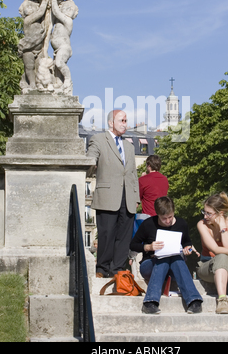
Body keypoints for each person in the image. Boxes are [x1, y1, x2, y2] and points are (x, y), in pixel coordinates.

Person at [87, 110, 140, 278]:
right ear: (111, 122)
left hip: (128, 197)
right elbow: (90, 159)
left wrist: (136, 197)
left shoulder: (129, 146)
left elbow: (133, 174)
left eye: (126, 120)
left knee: (124, 237)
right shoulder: (99, 139)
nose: (125, 123)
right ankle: (102, 268)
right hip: (108, 195)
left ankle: (118, 269)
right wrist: (90, 166)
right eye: (121, 120)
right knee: (106, 233)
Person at [130, 196, 203, 315]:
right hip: (150, 264)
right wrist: (148, 247)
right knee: (163, 259)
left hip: (174, 268)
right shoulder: (148, 224)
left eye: (170, 217)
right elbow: (133, 245)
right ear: (157, 215)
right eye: (164, 219)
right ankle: (150, 301)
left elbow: (187, 242)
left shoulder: (181, 224)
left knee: (176, 258)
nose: (168, 221)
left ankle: (194, 300)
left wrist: (187, 248)